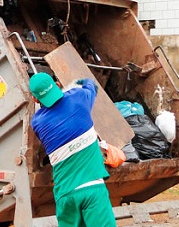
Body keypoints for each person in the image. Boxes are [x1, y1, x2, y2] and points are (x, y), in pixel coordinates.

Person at [29, 72, 116, 227]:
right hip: (92, 189)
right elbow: (92, 86)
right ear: (56, 85)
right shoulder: (79, 97)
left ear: (35, 99)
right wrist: (81, 81)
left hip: (65, 195)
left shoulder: (37, 122)